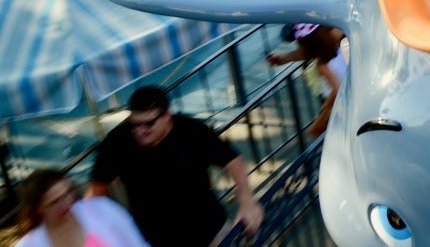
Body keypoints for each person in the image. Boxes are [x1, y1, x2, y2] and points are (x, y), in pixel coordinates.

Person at [89, 86, 263, 247]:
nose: (140, 131)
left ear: (167, 115)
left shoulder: (191, 131)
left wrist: (246, 200)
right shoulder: (118, 141)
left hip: (210, 232)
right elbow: (97, 189)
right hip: (154, 240)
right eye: (134, 124)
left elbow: (232, 160)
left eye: (149, 124)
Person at [17, 168, 150, 247]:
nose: (66, 202)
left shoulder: (102, 209)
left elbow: (138, 244)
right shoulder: (29, 244)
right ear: (38, 209)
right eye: (55, 201)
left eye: (68, 193)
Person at [267, 23, 347, 137]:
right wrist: (285, 58)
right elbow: (314, 48)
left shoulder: (323, 66)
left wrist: (320, 121)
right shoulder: (341, 35)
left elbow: (340, 92)